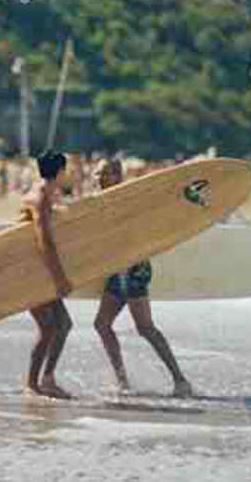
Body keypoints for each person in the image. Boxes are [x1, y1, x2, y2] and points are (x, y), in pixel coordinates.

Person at [92, 158, 193, 398]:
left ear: (115, 176)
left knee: (144, 327)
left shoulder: (127, 200)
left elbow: (140, 232)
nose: (97, 177)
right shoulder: (103, 201)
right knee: (103, 324)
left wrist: (128, 263)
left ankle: (179, 380)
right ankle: (124, 381)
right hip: (119, 269)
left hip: (133, 269)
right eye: (96, 173)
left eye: (102, 173)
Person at [19, 150, 74, 399]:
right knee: (49, 326)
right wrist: (60, 277)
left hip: (41, 269)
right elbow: (44, 240)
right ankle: (32, 384)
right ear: (60, 172)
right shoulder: (39, 196)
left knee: (63, 324)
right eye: (67, 170)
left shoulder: (48, 194)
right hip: (31, 270)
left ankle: (47, 379)